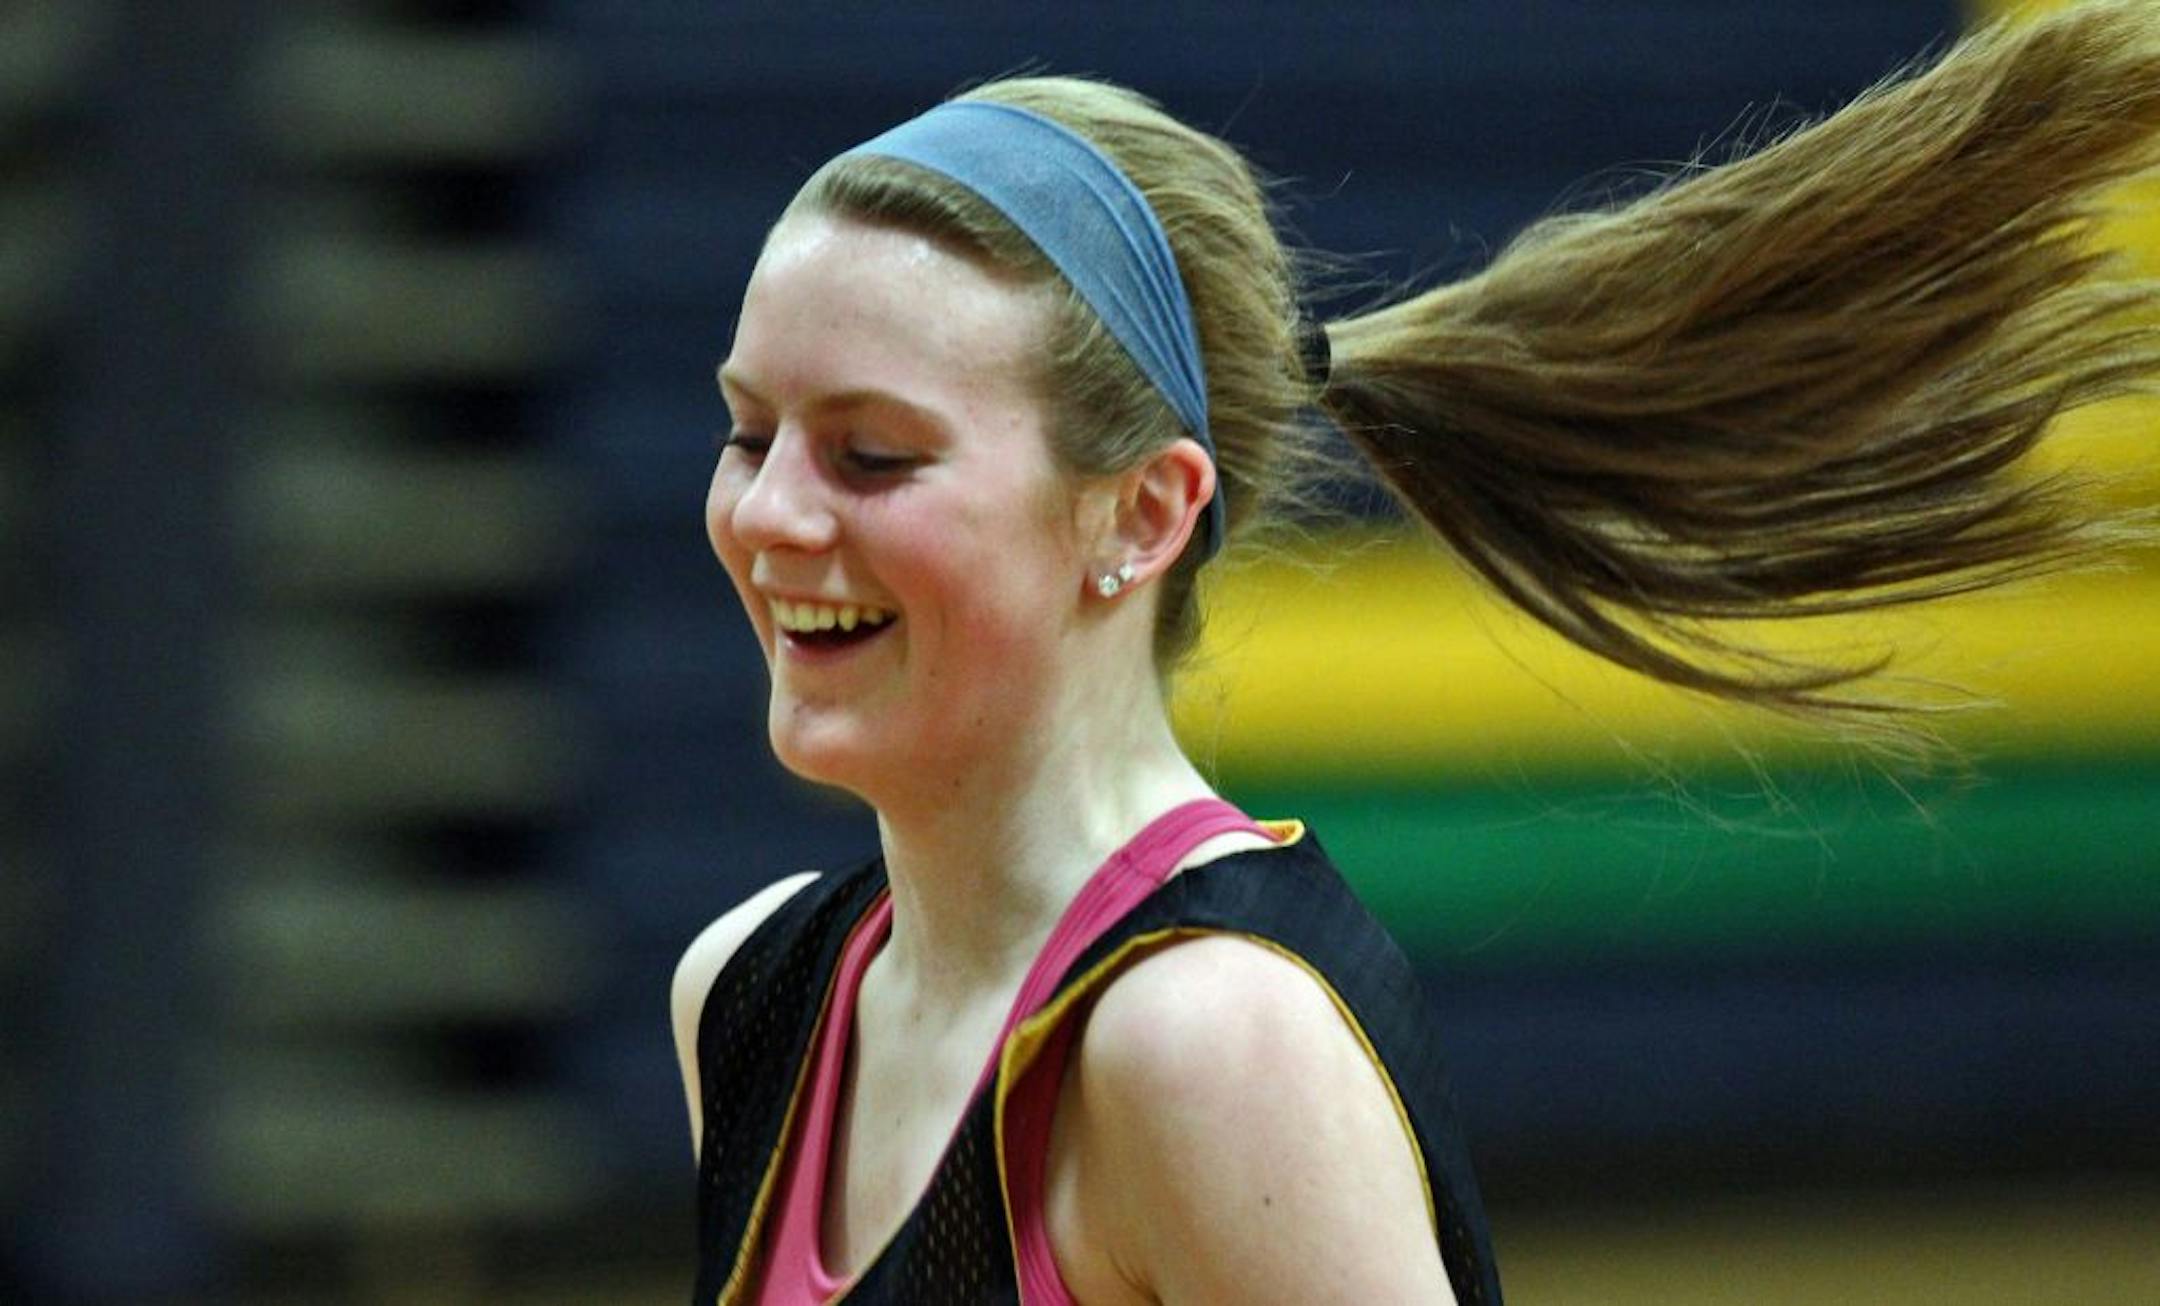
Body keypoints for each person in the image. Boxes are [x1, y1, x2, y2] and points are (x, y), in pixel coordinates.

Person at [672, 4, 2160, 1301]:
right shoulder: (749, 995)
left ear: (1140, 512)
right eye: (749, 434)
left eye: (873, 454)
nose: (771, 513)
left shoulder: (1207, 1048)